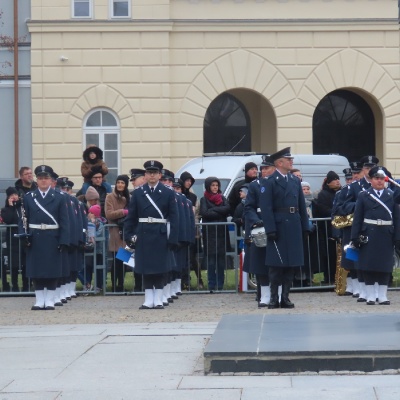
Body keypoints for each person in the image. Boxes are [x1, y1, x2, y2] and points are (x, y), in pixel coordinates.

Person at [124, 160, 179, 310]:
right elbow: (131, 217)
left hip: (161, 233)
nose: (152, 175)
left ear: (160, 175)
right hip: (143, 233)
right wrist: (128, 235)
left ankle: (159, 298)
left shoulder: (168, 193)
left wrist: (173, 237)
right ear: (146, 175)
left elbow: (174, 217)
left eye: (155, 173)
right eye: (149, 172)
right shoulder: (138, 193)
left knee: (160, 267)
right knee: (146, 267)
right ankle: (148, 298)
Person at [260, 147, 310, 309]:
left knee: (291, 264)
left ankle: (285, 297)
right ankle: (274, 298)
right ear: (279, 162)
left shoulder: (294, 181)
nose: (291, 162)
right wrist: (270, 229)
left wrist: (305, 225)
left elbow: (301, 205)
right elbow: (266, 208)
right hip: (279, 224)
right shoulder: (270, 181)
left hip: (294, 224)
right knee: (276, 265)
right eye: (288, 159)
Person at [22, 165, 70, 310]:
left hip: (52, 237)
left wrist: (64, 240)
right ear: (37, 180)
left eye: (46, 178)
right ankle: (39, 300)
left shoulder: (60, 197)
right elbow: (24, 219)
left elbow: (64, 221)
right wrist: (25, 236)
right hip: (35, 237)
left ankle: (49, 299)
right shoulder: (29, 197)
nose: (43, 181)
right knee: (36, 270)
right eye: (40, 178)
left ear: (51, 180)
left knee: (51, 270)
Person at [351, 166, 400, 305]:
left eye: (382, 179)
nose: (379, 181)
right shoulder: (364, 195)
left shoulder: (391, 195)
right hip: (369, 233)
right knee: (368, 265)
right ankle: (371, 295)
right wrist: (355, 237)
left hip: (386, 234)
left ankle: (383, 295)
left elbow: (397, 218)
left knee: (385, 266)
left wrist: (397, 237)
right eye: (376, 178)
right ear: (371, 180)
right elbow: (358, 218)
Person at [342, 155, 379, 302]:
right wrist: (359, 206)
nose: (369, 170)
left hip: (378, 228)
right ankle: (364, 290)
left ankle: (378, 290)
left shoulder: (382, 184)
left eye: (372, 168)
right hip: (362, 228)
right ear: (363, 170)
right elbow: (343, 206)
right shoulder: (354, 187)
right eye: (367, 168)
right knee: (361, 261)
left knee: (378, 260)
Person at [243, 154, 275, 307]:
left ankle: (279, 294)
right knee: (260, 264)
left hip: (276, 226)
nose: (263, 171)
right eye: (262, 169)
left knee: (277, 263)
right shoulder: (255, 185)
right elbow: (249, 207)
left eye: (266, 168)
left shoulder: (277, 184)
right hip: (260, 227)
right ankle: (264, 294)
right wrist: (256, 221)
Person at [199, 176, 231, 292]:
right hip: (210, 234)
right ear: (208, 186)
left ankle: (220, 285)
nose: (215, 187)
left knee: (221, 262)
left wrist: (213, 210)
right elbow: (204, 213)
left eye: (216, 185)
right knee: (211, 262)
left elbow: (227, 208)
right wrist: (219, 211)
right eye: (213, 185)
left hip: (222, 234)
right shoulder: (204, 199)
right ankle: (211, 285)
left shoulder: (222, 198)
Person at [313, 171, 341, 284]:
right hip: (328, 230)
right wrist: (337, 213)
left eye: (338, 179)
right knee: (330, 255)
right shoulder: (323, 194)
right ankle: (329, 278)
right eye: (334, 179)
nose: (337, 181)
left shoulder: (342, 192)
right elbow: (323, 209)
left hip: (341, 228)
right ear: (328, 182)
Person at [1, 187, 29, 292]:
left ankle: (27, 286)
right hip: (12, 241)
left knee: (25, 264)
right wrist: (11, 207)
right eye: (11, 195)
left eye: (15, 194)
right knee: (14, 265)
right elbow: (9, 219)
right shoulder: (5, 210)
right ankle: (15, 286)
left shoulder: (22, 208)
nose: (14, 197)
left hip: (23, 240)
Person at [105, 174, 130, 292]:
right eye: (118, 182)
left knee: (124, 260)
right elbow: (109, 214)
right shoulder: (110, 197)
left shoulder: (127, 198)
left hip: (125, 233)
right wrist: (123, 212)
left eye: (123, 183)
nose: (120, 185)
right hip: (115, 232)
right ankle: (114, 285)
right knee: (116, 260)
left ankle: (121, 284)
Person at [180, 171, 203, 290]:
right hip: (180, 229)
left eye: (190, 181)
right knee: (182, 257)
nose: (188, 183)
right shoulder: (177, 194)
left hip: (191, 229)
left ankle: (199, 279)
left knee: (192, 257)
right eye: (187, 180)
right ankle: (184, 280)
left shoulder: (193, 196)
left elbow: (196, 213)